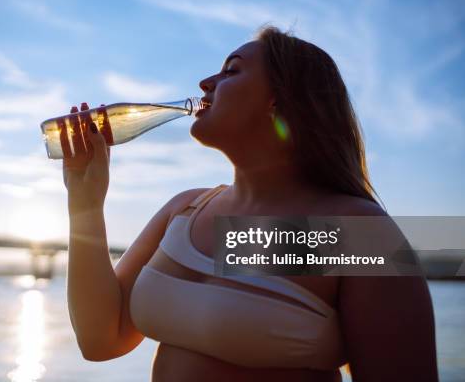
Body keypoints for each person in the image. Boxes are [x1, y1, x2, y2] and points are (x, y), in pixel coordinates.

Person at [63, 26, 438, 381]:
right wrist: (85, 204)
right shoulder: (185, 209)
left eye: (231, 71)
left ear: (280, 98)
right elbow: (101, 340)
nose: (205, 83)